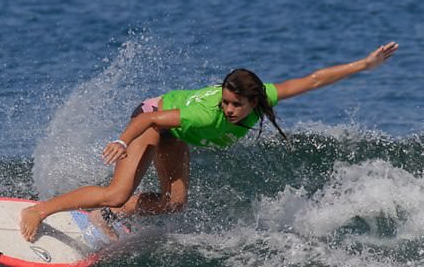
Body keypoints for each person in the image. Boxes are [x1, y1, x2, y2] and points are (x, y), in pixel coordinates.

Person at [20, 42, 399, 242]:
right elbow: (149, 118)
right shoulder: (208, 113)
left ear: (254, 101)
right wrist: (121, 140)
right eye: (226, 101)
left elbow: (314, 79)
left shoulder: (263, 95)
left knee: (174, 204)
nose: (230, 109)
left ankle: (104, 217)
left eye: (236, 104)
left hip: (174, 133)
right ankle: (41, 210)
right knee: (118, 191)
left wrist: (364, 65)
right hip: (151, 120)